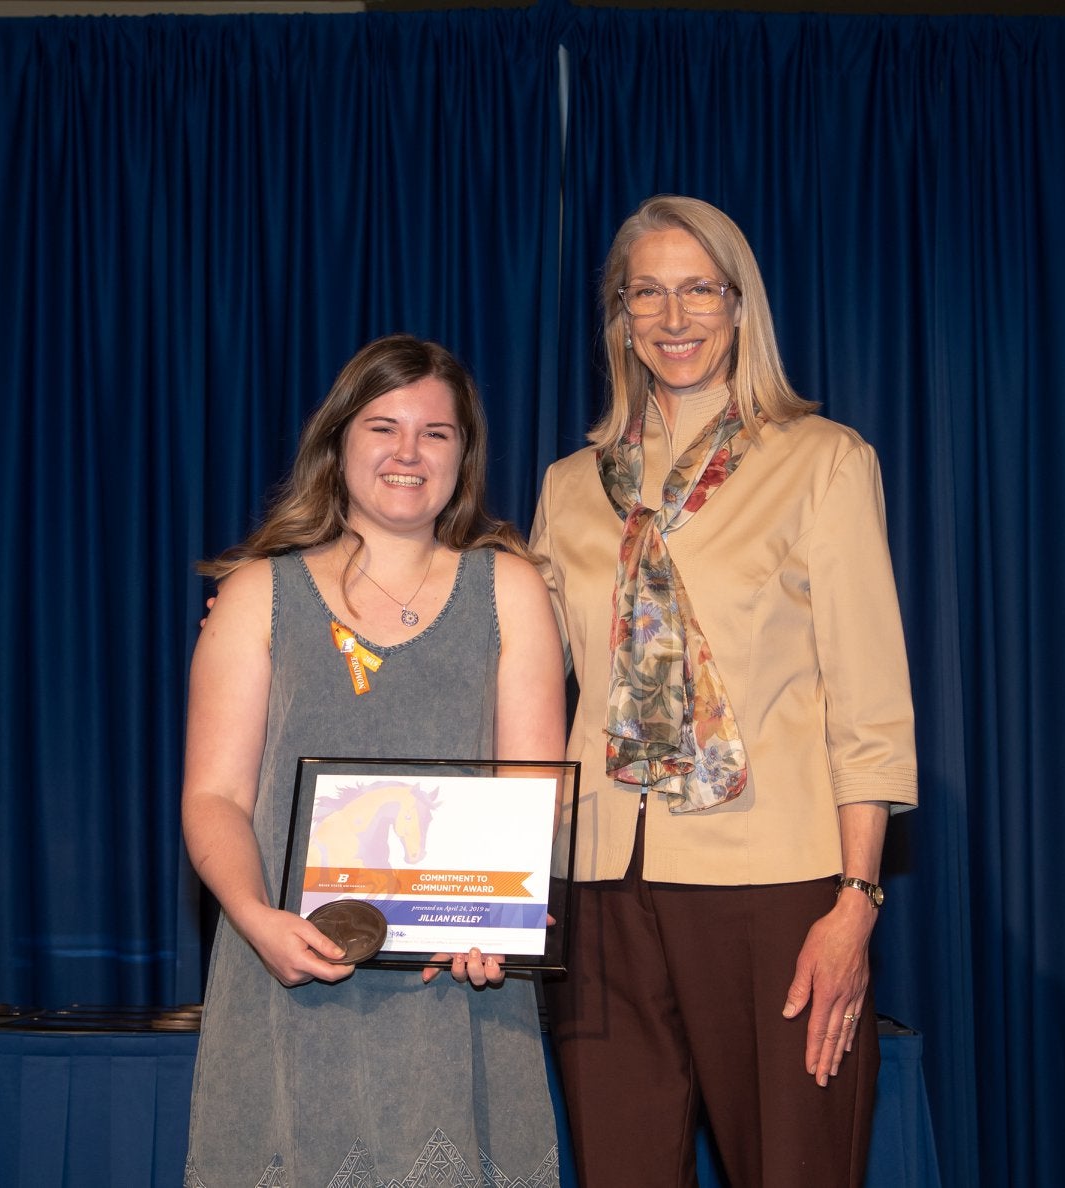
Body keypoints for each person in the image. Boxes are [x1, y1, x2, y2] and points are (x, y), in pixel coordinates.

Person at [529, 195, 918, 1187]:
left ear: (740, 306)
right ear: (618, 315)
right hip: (600, 888)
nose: (672, 316)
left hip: (775, 886)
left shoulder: (822, 461)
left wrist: (854, 901)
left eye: (697, 288)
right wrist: (321, 618)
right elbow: (505, 660)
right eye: (645, 292)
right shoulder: (568, 485)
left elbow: (866, 699)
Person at [182, 334, 566, 1187]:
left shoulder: (510, 590)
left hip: (460, 990)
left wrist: (499, 920)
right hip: (288, 976)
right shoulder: (255, 595)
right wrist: (254, 917)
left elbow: (534, 790)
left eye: (436, 432)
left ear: (463, 455)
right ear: (337, 443)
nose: (407, 453)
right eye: (382, 426)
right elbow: (213, 796)